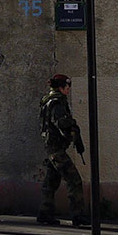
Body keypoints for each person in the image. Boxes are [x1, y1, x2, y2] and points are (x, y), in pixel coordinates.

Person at [37, 74, 88, 227]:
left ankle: (45, 214)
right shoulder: (57, 103)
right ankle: (77, 216)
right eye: (67, 87)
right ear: (61, 88)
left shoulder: (49, 100)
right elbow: (62, 123)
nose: (69, 90)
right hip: (56, 148)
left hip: (52, 147)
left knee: (51, 182)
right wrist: (73, 131)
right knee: (74, 180)